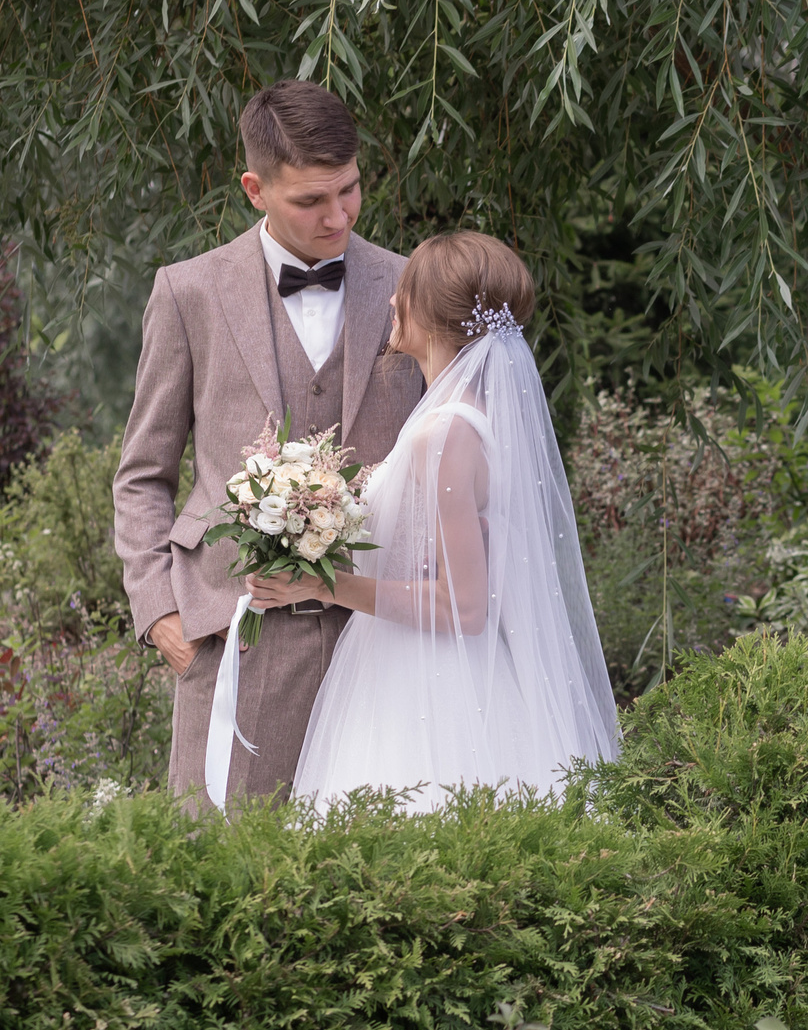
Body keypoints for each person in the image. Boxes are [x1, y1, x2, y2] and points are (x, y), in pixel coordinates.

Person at [112, 80, 424, 808]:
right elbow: (142, 474)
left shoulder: (410, 284)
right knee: (214, 876)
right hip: (231, 636)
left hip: (378, 640)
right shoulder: (188, 293)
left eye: (348, 190)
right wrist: (159, 610)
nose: (337, 215)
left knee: (376, 870)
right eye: (310, 201)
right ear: (255, 188)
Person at [245, 230, 620, 811]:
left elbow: (463, 608)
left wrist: (324, 585)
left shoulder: (444, 432)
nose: (392, 303)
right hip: (437, 672)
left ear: (430, 312)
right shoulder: (472, 418)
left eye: (402, 291)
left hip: (427, 689)